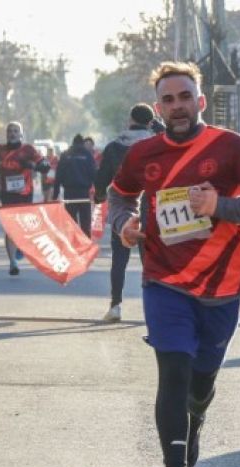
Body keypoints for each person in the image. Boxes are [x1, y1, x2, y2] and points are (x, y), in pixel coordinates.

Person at [109, 61, 240, 467]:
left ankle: (194, 429)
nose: (177, 106)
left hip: (223, 288)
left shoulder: (230, 147)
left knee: (200, 384)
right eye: (167, 99)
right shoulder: (144, 154)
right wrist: (122, 224)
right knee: (173, 370)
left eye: (184, 97)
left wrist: (220, 206)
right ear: (159, 107)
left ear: (199, 101)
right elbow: (120, 195)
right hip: (163, 281)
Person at [94, 103, 157, 322]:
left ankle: (115, 305)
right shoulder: (157, 144)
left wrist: (99, 195)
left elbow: (102, 178)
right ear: (151, 121)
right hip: (151, 205)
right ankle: (155, 307)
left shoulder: (114, 146)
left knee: (119, 259)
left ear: (130, 119)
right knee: (149, 260)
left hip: (123, 205)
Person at [0, 122, 51, 275]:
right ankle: (12, 263)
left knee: (22, 227)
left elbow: (43, 163)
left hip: (25, 194)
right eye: (9, 131)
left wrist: (36, 165)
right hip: (7, 194)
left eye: (15, 131)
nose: (12, 133)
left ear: (21, 134)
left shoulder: (28, 149)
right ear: (6, 134)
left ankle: (20, 246)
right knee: (10, 227)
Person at [54, 134, 97, 236]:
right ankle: (86, 246)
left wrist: (55, 194)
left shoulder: (65, 155)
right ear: (82, 143)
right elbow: (94, 174)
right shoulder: (87, 155)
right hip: (84, 194)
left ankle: (73, 244)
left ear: (72, 143)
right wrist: (98, 193)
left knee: (71, 223)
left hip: (69, 193)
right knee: (85, 224)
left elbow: (59, 175)